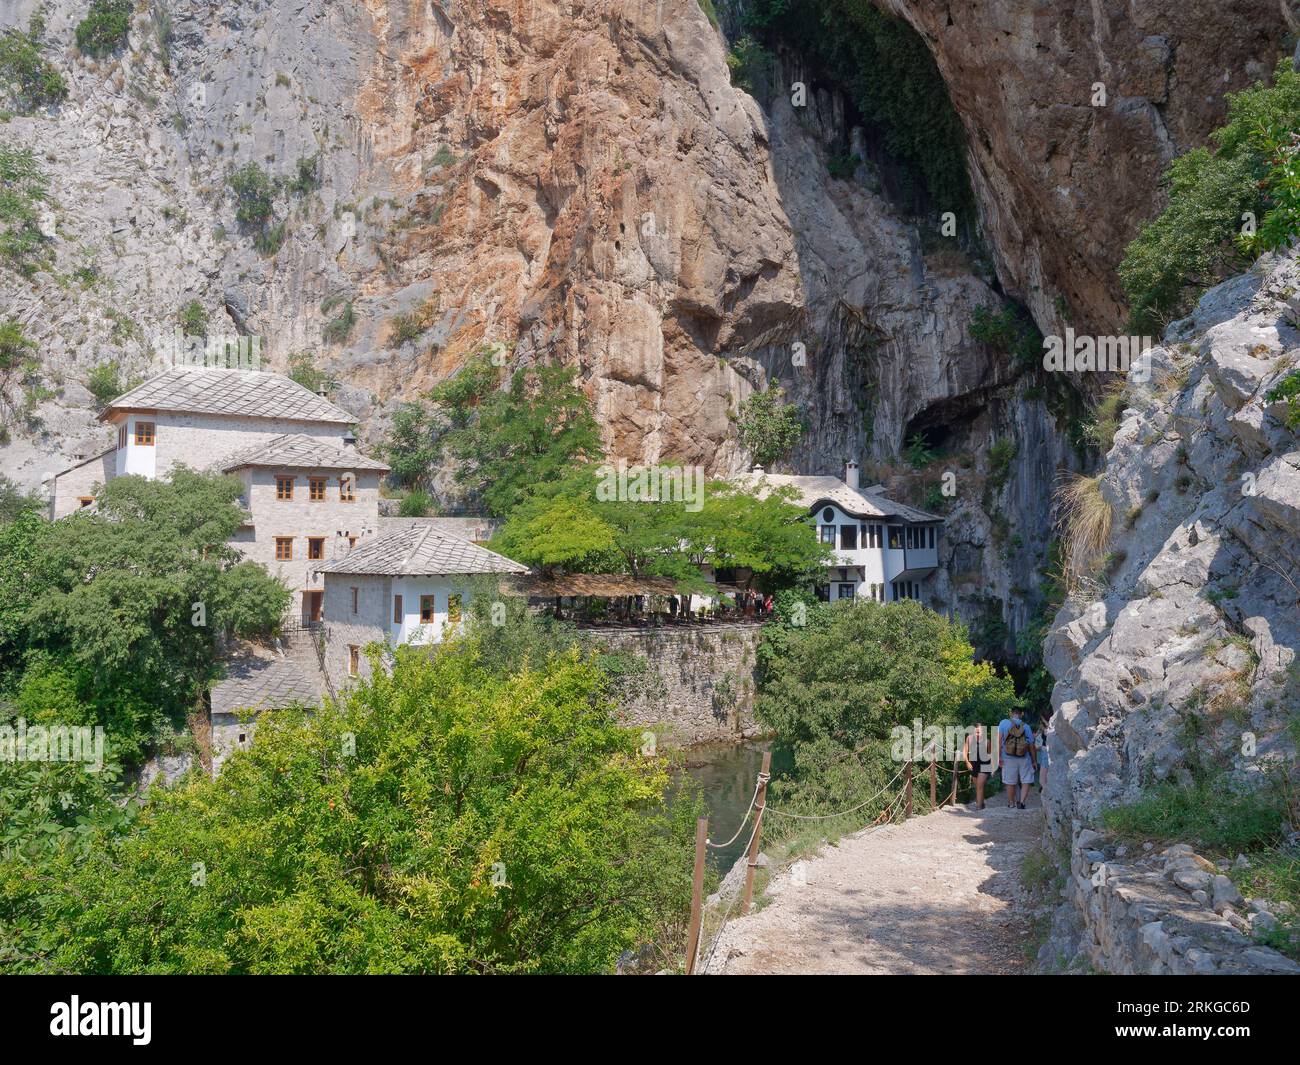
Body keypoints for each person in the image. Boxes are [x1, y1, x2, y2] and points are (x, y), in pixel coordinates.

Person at [998, 708, 1037, 809]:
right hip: (1024, 757)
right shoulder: (1026, 726)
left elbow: (998, 741)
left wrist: (998, 757)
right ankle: (1022, 802)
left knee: (1009, 782)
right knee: (1026, 780)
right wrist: (1034, 761)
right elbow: (1032, 746)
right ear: (1021, 714)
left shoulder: (1003, 723)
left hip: (1007, 757)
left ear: (1011, 714)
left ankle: (1011, 803)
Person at [962, 723, 993, 810]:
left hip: (985, 765)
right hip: (974, 764)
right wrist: (967, 762)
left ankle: (979, 807)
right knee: (978, 787)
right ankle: (982, 803)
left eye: (979, 732)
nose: (978, 734)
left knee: (979, 786)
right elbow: (964, 752)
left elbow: (990, 754)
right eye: (976, 732)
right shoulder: (969, 739)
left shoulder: (987, 741)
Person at [1035, 714, 1050, 794]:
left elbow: (1049, 730)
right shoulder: (1044, 730)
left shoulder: (1049, 729)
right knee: (1044, 779)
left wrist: (1044, 721)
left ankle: (1048, 796)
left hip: (1045, 753)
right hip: (1045, 753)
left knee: (1042, 780)